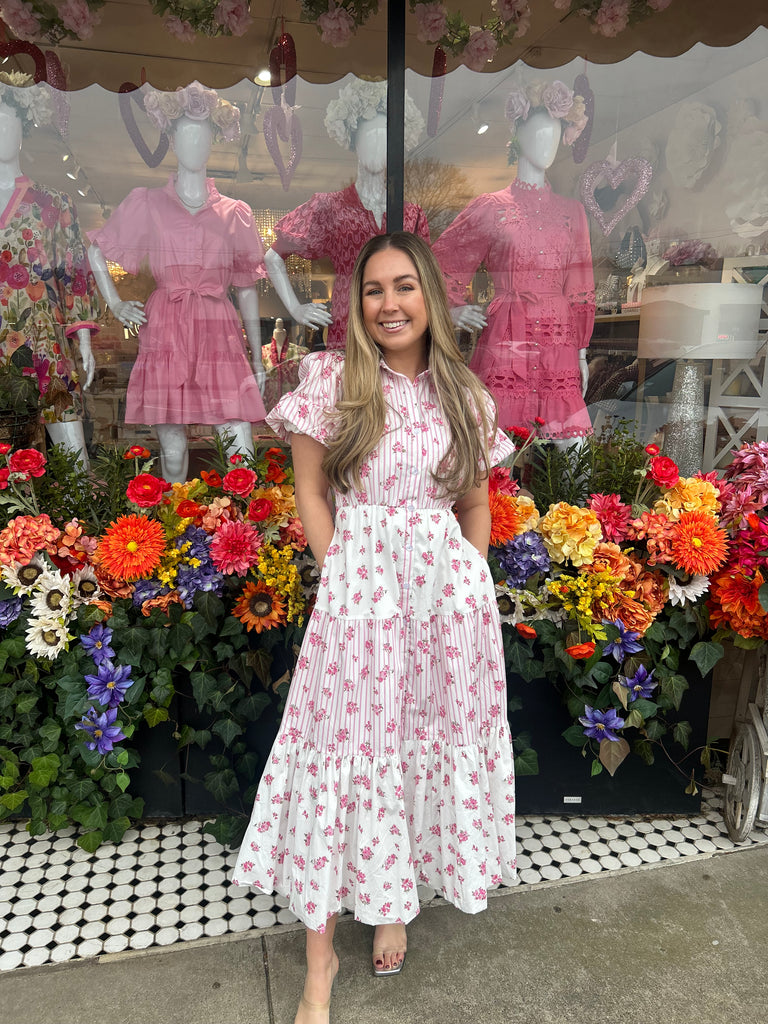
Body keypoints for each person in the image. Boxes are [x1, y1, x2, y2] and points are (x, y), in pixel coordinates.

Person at [232, 232, 517, 1024]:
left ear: (429, 296)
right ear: (357, 306)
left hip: (445, 604)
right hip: (360, 592)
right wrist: (342, 574)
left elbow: (473, 501)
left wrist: (467, 575)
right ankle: (318, 964)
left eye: (403, 287)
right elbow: (312, 493)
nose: (388, 304)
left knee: (420, 744)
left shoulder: (466, 395)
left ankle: (394, 899)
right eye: (371, 291)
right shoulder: (328, 382)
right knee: (345, 751)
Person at [88, 82, 267, 483]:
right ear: (171, 141)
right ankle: (174, 531)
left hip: (217, 328)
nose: (194, 145)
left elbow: (247, 285)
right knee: (172, 449)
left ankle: (241, 537)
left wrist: (257, 357)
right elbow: (96, 249)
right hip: (166, 324)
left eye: (202, 137)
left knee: (240, 440)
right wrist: (115, 303)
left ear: (213, 143)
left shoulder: (234, 212)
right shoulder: (148, 203)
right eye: (185, 136)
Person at [432, 79, 595, 448]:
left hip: (559, 340)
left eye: (554, 135)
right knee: (497, 451)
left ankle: (575, 509)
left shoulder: (574, 212)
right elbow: (439, 263)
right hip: (508, 334)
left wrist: (582, 350)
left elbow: (581, 285)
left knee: (573, 454)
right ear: (518, 136)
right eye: (538, 134)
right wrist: (453, 309)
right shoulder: (490, 208)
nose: (547, 145)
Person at [264, 77, 430, 351]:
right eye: (369, 137)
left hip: (399, 329)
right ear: (353, 142)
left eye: (385, 139)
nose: (378, 147)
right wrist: (295, 309)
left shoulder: (411, 214)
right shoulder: (328, 206)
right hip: (349, 328)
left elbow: (427, 280)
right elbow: (273, 257)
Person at [0, 72, 100, 467]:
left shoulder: (52, 202)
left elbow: (74, 271)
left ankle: (82, 520)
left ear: (22, 131)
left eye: (6, 122)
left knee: (70, 442)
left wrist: (85, 342)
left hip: (42, 335)